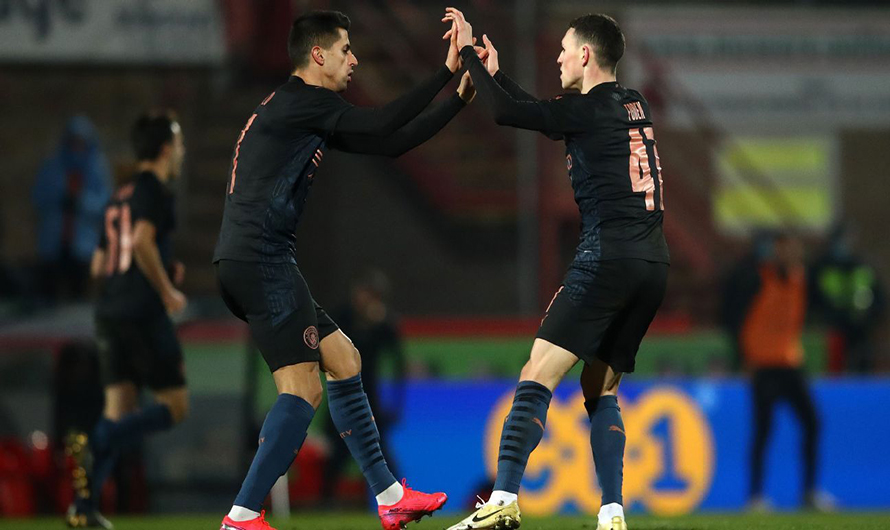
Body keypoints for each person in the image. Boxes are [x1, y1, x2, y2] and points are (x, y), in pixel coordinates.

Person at [213, 10, 476, 530]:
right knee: (302, 391)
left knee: (344, 359)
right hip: (262, 258)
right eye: (345, 49)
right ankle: (241, 516)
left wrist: (458, 101)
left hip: (248, 259)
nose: (354, 59)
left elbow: (389, 142)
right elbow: (382, 121)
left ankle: (390, 496)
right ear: (318, 55)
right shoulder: (304, 102)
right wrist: (446, 71)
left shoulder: (299, 109)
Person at [443, 10, 669, 530]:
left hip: (606, 258)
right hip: (652, 264)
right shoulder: (634, 103)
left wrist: (471, 55)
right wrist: (498, 76)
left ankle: (502, 499)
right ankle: (612, 513)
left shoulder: (587, 110)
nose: (559, 58)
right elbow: (544, 114)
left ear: (586, 54)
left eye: (566, 50)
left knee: (536, 372)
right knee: (601, 387)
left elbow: (509, 115)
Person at [65, 111, 189, 528]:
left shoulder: (119, 194)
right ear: (166, 148)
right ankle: (93, 442)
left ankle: (83, 508)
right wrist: (167, 289)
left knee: (118, 412)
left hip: (109, 313)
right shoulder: (155, 189)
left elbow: (99, 265)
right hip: (142, 313)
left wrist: (153, 270)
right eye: (180, 144)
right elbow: (140, 243)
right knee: (176, 406)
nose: (182, 152)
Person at [738, 233, 828, 511]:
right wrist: (744, 357)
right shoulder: (758, 279)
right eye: (783, 249)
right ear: (775, 252)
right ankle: (755, 497)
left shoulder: (802, 278)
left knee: (812, 423)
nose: (789, 254)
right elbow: (737, 318)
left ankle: (809, 493)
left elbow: (821, 306)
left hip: (790, 363)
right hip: (763, 365)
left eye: (793, 249)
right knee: (763, 430)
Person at [322, 270, 406, 505]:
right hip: (340, 396)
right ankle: (325, 501)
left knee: (380, 455)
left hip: (370, 400)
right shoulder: (341, 318)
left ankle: (397, 501)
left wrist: (395, 404)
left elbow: (398, 362)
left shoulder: (382, 324)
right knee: (337, 456)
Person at [32, 115, 112, 303]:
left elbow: (105, 203)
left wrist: (81, 202)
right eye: (73, 142)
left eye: (80, 143)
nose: (76, 148)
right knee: (49, 298)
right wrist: (60, 199)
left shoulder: (97, 169)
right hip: (54, 243)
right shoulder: (53, 167)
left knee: (79, 298)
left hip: (83, 245)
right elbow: (38, 197)